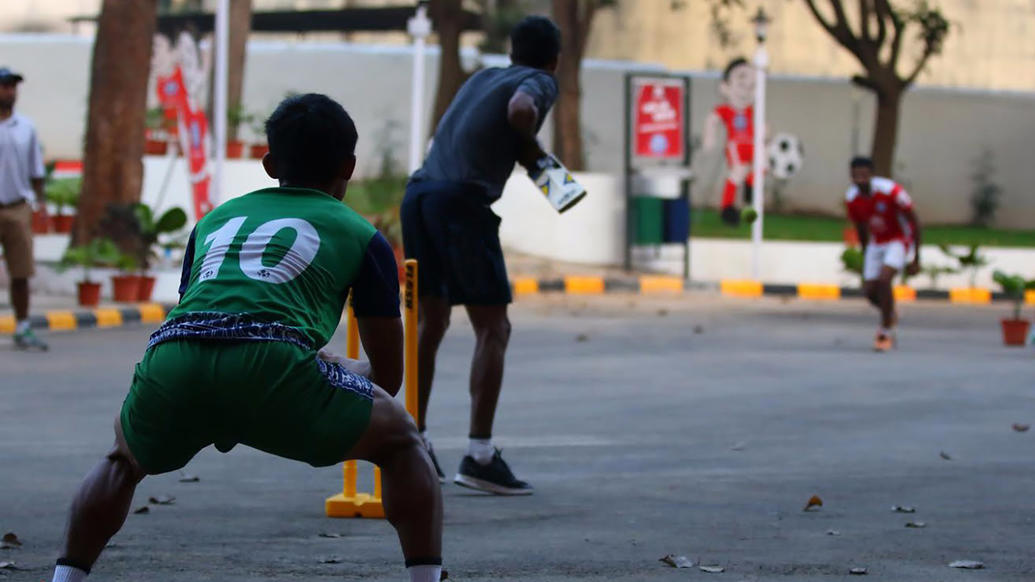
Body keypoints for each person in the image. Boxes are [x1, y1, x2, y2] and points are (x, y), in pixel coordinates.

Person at [51, 94, 443, 582]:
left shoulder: (214, 221)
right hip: (274, 365)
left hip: (173, 354)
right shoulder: (363, 236)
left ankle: (66, 578)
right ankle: (426, 577)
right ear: (349, 164)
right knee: (403, 440)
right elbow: (386, 374)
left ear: (270, 163)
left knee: (122, 460)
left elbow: (209, 309)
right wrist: (339, 369)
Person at [400, 15, 561, 495]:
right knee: (494, 326)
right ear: (556, 58)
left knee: (431, 324)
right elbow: (519, 111)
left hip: (420, 195)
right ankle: (480, 456)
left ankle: (413, 442)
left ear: (512, 50)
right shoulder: (540, 80)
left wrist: (543, 169)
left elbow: (493, 135)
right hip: (461, 204)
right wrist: (529, 133)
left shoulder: (482, 78)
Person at [845, 156, 921, 352]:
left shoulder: (891, 191)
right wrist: (865, 254)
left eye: (863, 175)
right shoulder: (852, 198)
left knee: (884, 280)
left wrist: (916, 257)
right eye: (855, 176)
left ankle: (884, 331)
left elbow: (914, 221)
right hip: (876, 243)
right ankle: (890, 314)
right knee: (870, 291)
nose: (860, 180)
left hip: (898, 239)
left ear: (871, 174)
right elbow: (861, 227)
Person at [0, 66, 48, 350]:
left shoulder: (26, 128)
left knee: (21, 271)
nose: (9, 92)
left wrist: (41, 205)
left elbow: (37, 171)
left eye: (12, 86)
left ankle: (23, 326)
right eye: (5, 86)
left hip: (17, 207)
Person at [702, 58, 757, 226]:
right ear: (725, 87)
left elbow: (759, 126)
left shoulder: (751, 111)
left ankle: (749, 203)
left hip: (752, 146)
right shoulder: (727, 110)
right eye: (741, 85)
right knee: (738, 172)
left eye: (751, 86)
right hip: (735, 147)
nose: (746, 91)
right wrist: (709, 138)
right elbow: (713, 119)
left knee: (755, 171)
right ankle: (727, 208)